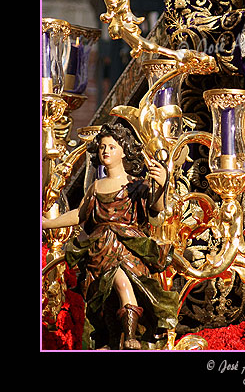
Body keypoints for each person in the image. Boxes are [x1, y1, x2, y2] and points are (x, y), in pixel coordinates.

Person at [42, 122, 180, 350]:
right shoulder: (96, 187)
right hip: (100, 251)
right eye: (102, 147)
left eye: (112, 146)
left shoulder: (137, 185)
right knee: (106, 298)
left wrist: (163, 184)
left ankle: (131, 337)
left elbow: (156, 209)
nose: (105, 151)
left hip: (128, 249)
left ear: (124, 151)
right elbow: (80, 214)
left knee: (124, 284)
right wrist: (49, 223)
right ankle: (117, 339)